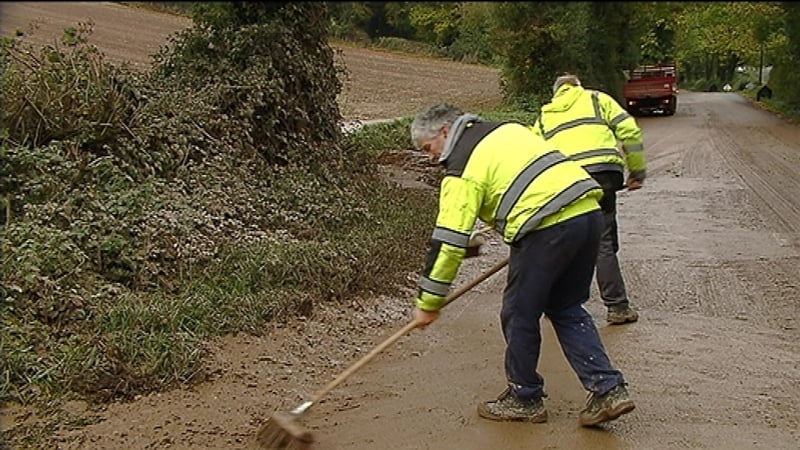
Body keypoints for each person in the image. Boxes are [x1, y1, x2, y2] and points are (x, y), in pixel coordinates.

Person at [408, 103, 635, 426]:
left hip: (546, 227)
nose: (431, 157)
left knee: (518, 312)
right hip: (586, 214)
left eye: (428, 148)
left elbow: (448, 241)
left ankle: (524, 397)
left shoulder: (461, 168)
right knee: (567, 307)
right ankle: (609, 390)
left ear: (445, 132)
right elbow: (518, 182)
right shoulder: (506, 129)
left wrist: (428, 303)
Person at [532, 74, 646, 325]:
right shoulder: (597, 99)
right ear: (577, 86)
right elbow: (629, 129)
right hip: (604, 173)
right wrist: (637, 171)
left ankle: (555, 303)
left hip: (568, 180)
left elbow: (534, 155)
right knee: (604, 240)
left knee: (564, 239)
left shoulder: (546, 114)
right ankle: (617, 307)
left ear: (557, 92)